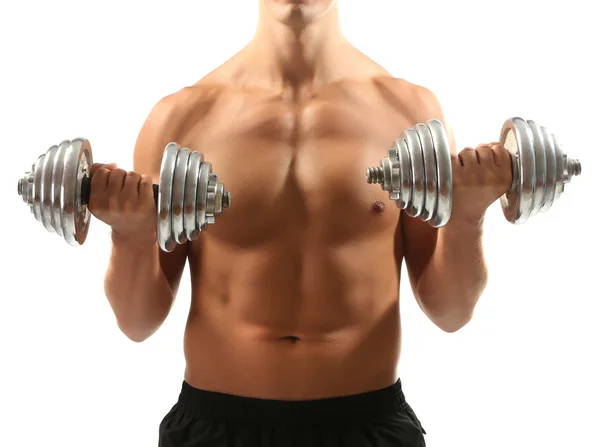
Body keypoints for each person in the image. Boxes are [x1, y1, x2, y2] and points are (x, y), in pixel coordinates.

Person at [89, 1, 513, 445]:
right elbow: (136, 322)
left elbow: (451, 312)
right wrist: (129, 235)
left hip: (365, 426)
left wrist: (467, 218)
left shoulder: (408, 113)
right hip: (215, 429)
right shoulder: (180, 118)